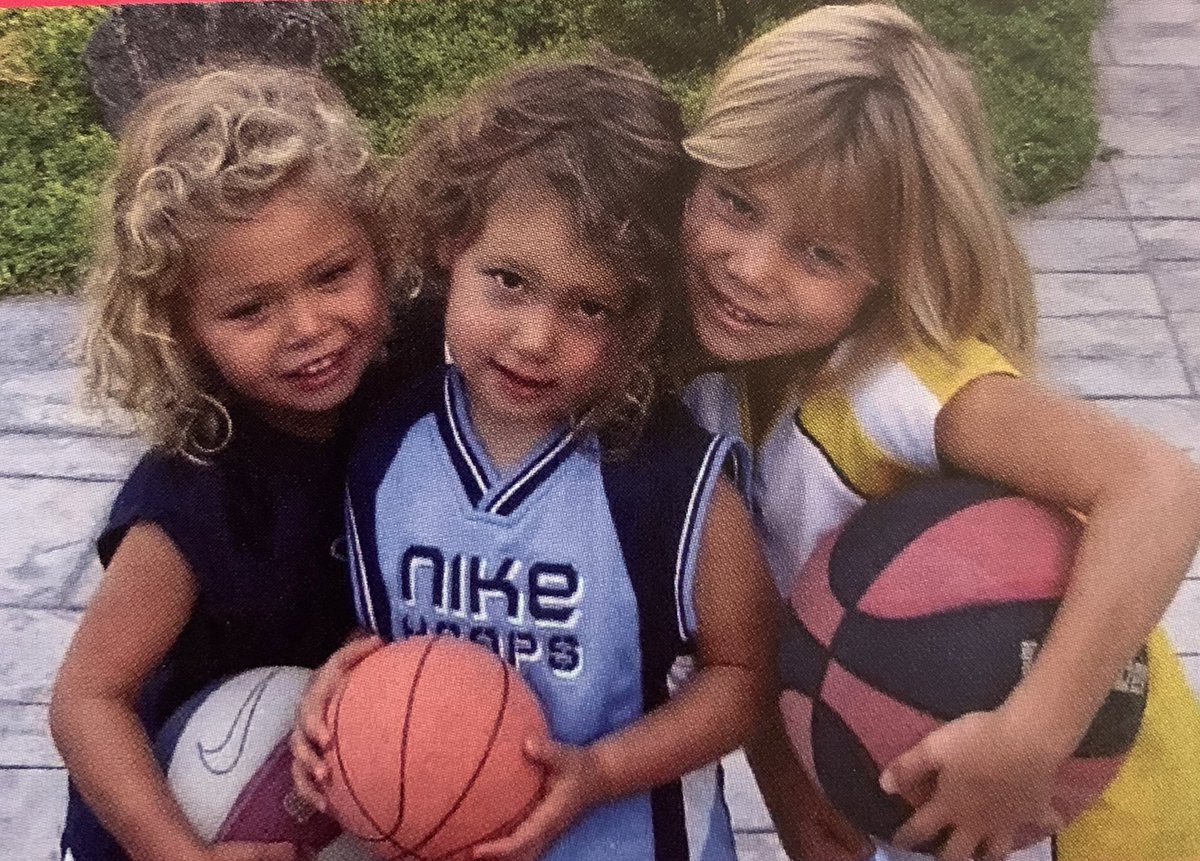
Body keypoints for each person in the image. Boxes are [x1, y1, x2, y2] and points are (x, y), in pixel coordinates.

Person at [678, 4, 1200, 861]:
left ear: (893, 270)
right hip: (931, 795)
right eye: (735, 202)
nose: (752, 267)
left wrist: (1032, 738)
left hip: (1094, 816)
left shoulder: (898, 383)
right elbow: (767, 632)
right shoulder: (716, 395)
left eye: (821, 255)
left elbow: (1158, 484)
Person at [290, 51, 777, 861]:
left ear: (645, 312)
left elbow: (745, 677)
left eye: (589, 305)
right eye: (509, 281)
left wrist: (602, 769)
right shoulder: (386, 443)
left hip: (630, 841)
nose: (535, 338)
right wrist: (341, 688)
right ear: (451, 242)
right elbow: (386, 629)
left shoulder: (673, 480)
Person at [50, 64, 439, 861]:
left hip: (345, 779)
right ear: (180, 327)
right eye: (249, 309)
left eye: (334, 274)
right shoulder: (195, 491)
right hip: (184, 811)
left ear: (382, 247)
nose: (308, 326)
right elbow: (87, 698)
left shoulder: (421, 373)